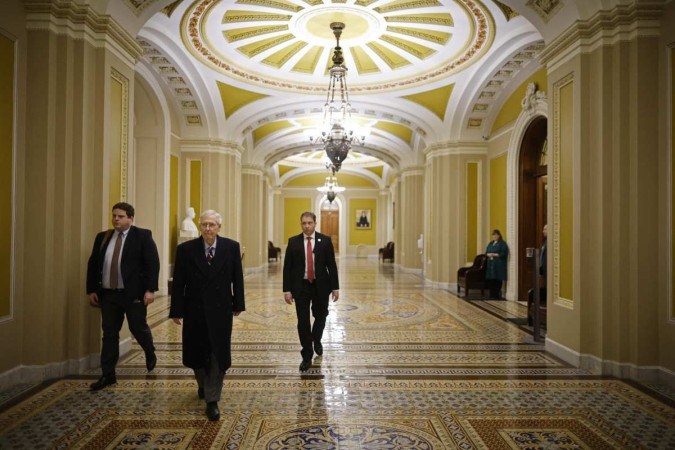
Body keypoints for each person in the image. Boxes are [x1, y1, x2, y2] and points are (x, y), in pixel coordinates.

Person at [170, 210, 245, 421]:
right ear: (200, 227)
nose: (208, 229)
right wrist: (176, 310)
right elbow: (178, 283)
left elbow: (237, 278)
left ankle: (212, 400)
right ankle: (203, 384)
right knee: (197, 353)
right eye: (204, 225)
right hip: (195, 310)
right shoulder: (186, 250)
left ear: (219, 227)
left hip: (220, 311)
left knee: (217, 353)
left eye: (212, 225)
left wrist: (238, 303)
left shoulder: (231, 247)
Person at [86, 202, 160, 391]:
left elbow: (153, 263)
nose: (116, 219)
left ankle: (149, 352)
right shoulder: (103, 237)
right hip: (109, 295)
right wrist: (92, 289)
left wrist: (150, 289)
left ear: (130, 218)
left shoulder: (142, 236)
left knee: (137, 327)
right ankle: (108, 375)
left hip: (133, 294)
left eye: (120, 216)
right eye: (114, 216)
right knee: (109, 334)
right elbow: (93, 263)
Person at [283, 212, 339, 372]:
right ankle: (306, 355)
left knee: (321, 316)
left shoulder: (325, 241)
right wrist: (287, 290)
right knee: (303, 321)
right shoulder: (293, 242)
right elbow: (287, 267)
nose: (307, 226)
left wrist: (335, 287)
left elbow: (331, 265)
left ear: (315, 223)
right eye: (304, 223)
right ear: (301, 224)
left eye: (309, 223)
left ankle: (317, 339)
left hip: (321, 286)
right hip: (300, 286)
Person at [485, 229, 509, 299]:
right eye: (493, 235)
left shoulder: (502, 244)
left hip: (499, 265)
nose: (494, 236)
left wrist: (496, 254)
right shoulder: (490, 243)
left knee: (498, 279)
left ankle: (496, 295)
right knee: (491, 280)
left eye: (496, 235)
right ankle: (491, 294)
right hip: (491, 264)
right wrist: (488, 254)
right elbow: (486, 252)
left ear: (499, 235)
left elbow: (504, 253)